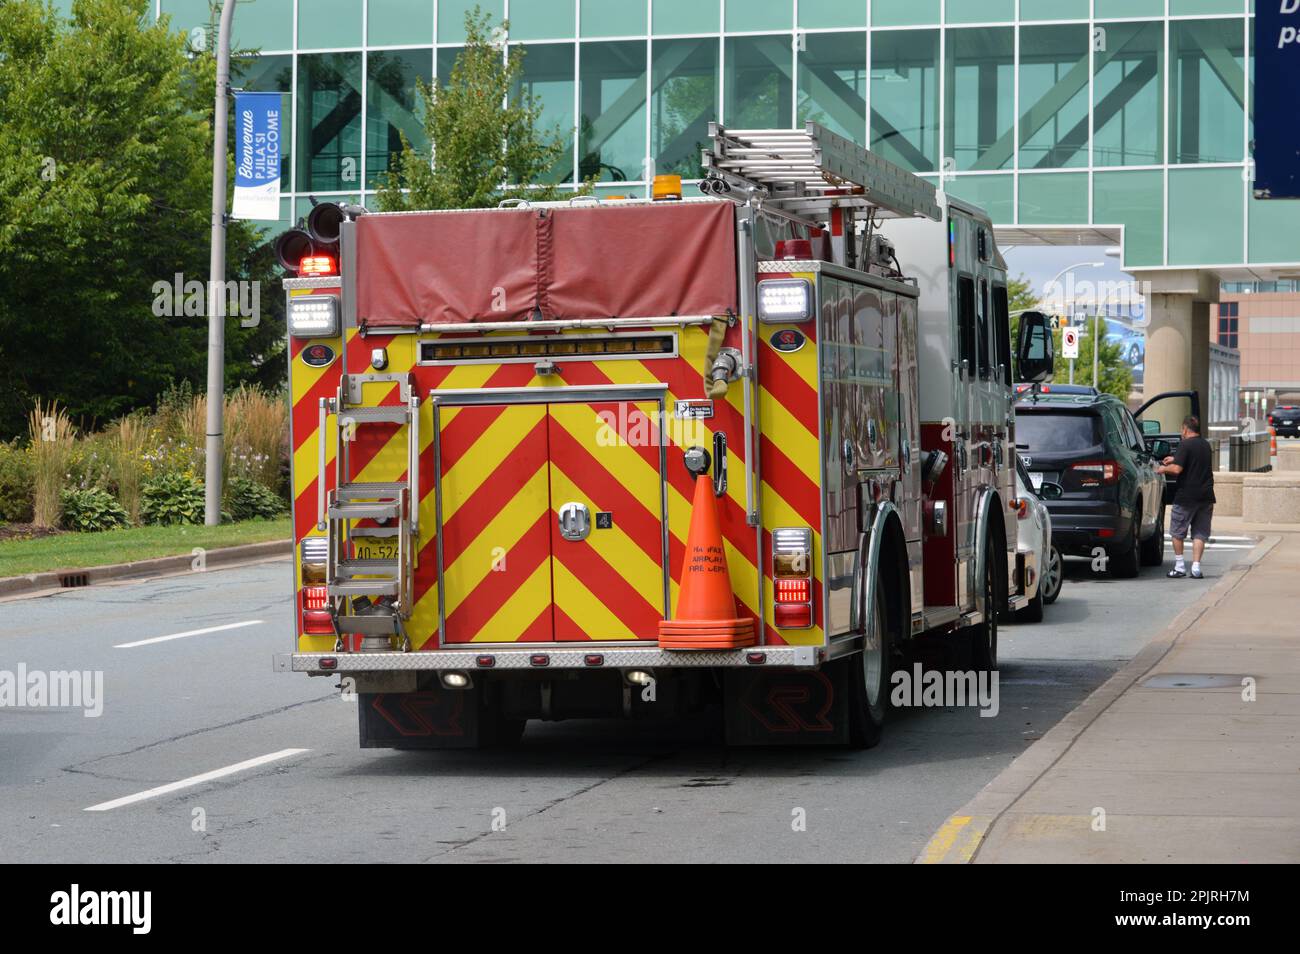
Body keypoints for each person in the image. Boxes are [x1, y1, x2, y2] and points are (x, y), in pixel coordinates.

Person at [1154, 415, 1215, 579]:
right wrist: (1175, 459)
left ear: (1186, 429)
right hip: (1206, 496)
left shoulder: (1185, 444)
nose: (1181, 432)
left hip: (1186, 496)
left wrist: (1162, 469)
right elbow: (1194, 461)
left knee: (1177, 532)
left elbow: (1176, 470)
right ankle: (1196, 567)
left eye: (1182, 429)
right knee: (1200, 533)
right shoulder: (1205, 445)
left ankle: (1180, 567)